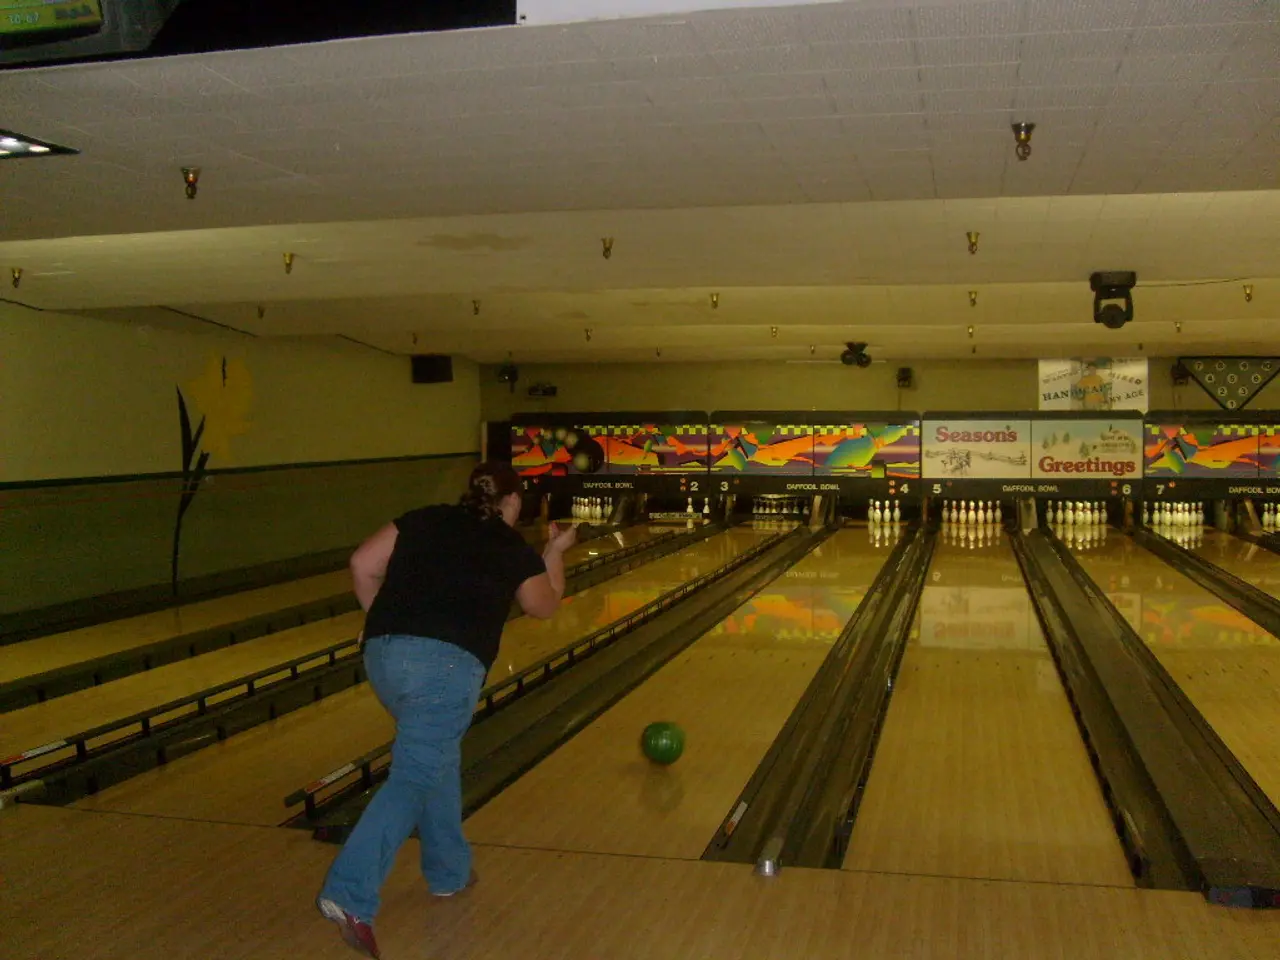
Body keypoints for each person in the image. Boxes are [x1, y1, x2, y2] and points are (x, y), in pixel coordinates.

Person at [317, 461, 576, 958]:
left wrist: (383, 620)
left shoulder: (425, 518)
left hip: (384, 656)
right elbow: (545, 605)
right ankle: (349, 894)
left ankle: (448, 872)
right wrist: (553, 552)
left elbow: (362, 564)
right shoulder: (509, 546)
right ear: (514, 502)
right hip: (445, 669)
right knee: (416, 772)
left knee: (436, 759)